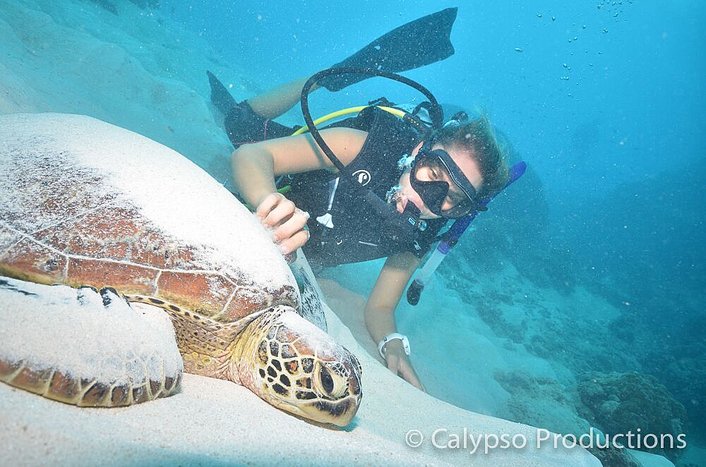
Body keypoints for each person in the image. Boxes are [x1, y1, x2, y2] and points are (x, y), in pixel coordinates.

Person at [209, 10, 510, 390]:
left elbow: (380, 307)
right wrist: (268, 202)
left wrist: (392, 343)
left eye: (451, 198)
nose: (427, 200)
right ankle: (325, 77)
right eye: (432, 173)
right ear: (418, 150)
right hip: (294, 177)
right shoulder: (360, 146)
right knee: (239, 123)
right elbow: (251, 157)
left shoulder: (420, 233)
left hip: (309, 250)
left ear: (463, 211)